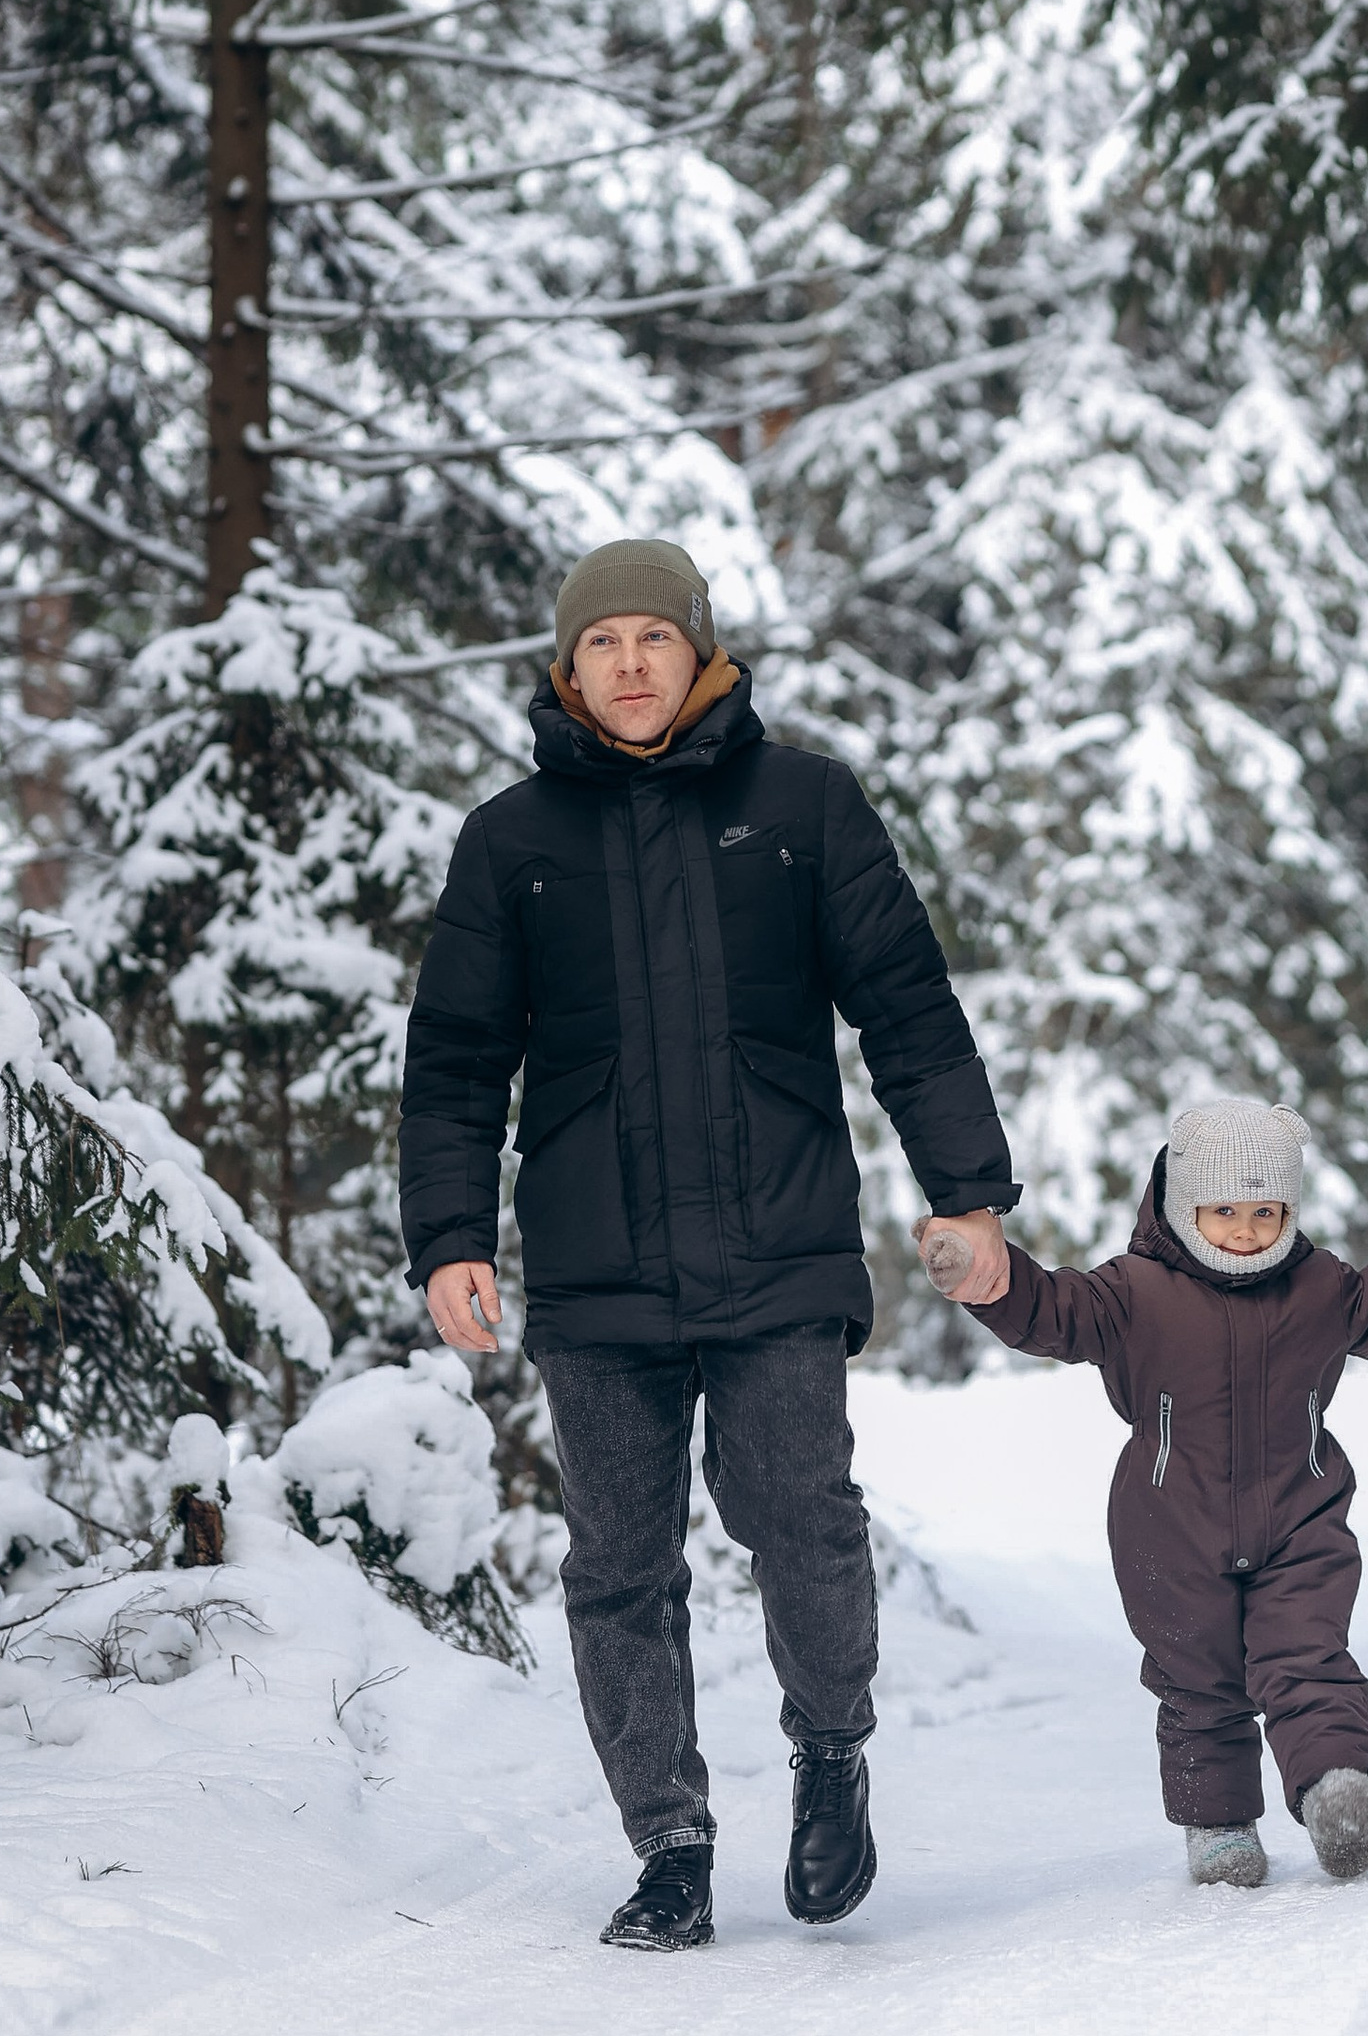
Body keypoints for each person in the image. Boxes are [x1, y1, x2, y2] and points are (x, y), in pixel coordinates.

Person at [399, 538, 1015, 1950]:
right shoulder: (512, 840)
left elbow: (907, 1008)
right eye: (601, 644)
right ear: (569, 667)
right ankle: (669, 1843)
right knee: (620, 1564)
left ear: (702, 655)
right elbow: (456, 1061)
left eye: (653, 641)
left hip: (780, 1238)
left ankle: (830, 1751)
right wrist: (449, 1235)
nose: (629, 666)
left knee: (801, 1515)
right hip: (593, 1261)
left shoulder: (803, 803)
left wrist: (966, 1191)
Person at [920, 1094, 1368, 1887]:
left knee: (1308, 1653)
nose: (1245, 1230)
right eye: (1224, 1209)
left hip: (1301, 1515)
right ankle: (1219, 1823)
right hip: (1169, 1527)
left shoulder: (1320, 1286)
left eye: (1266, 1211)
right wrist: (987, 1279)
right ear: (1182, 1202)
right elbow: (1051, 1309)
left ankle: (1337, 1788)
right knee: (1197, 1679)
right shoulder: (1133, 1291)